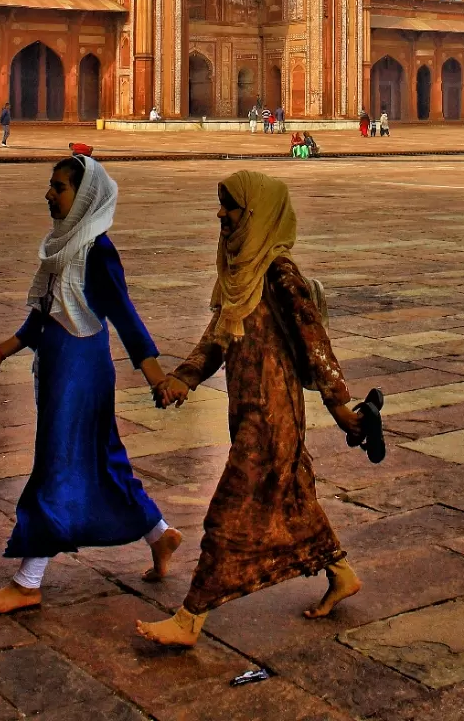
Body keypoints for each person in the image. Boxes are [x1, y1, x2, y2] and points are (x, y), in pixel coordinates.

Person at [136, 171, 363, 648]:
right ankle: (341, 573)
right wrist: (184, 378)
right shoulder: (241, 272)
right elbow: (220, 336)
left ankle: (191, 617)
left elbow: (314, 340)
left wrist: (341, 406)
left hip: (273, 415)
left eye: (230, 207)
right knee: (294, 500)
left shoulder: (279, 272)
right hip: (249, 407)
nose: (222, 214)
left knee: (229, 514)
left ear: (256, 213)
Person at [0, 155, 180, 615]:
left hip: (80, 372)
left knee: (56, 464)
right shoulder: (62, 245)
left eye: (59, 188)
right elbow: (48, 311)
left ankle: (28, 580)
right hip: (61, 362)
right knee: (104, 458)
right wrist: (3, 350)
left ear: (83, 197)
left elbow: (125, 317)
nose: (49, 195)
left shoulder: (97, 250)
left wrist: (156, 377)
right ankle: (159, 534)